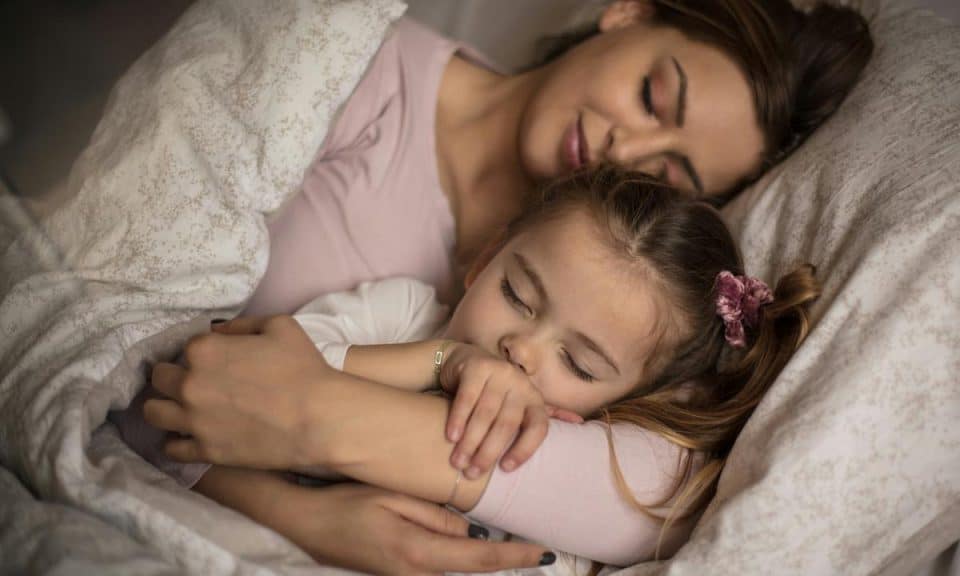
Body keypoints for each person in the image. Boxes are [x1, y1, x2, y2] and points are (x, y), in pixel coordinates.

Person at [116, 0, 873, 571]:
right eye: (652, 97)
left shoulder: (624, 297)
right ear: (628, 13)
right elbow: (119, 341)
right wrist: (304, 516)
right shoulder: (347, 59)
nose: (628, 146)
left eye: (671, 172)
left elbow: (662, 495)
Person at [142, 168, 821, 565]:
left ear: (630, 399)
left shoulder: (577, 473)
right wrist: (436, 361)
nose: (521, 350)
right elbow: (209, 408)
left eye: (578, 363)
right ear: (485, 256)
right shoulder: (401, 316)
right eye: (517, 296)